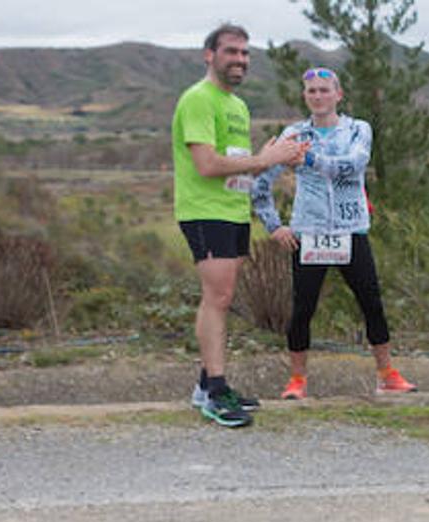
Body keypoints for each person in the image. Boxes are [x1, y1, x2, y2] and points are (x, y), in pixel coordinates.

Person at [250, 67, 414, 401]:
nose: (318, 96)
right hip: (307, 232)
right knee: (302, 308)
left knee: (371, 303)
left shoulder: (358, 129)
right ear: (304, 96)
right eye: (311, 91)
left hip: (351, 229)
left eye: (325, 90)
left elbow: (354, 165)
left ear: (338, 95)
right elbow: (261, 183)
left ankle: (387, 374)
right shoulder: (293, 134)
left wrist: (307, 157)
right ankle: (297, 380)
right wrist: (274, 226)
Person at [173, 23, 307, 428]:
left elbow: (237, 163)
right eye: (231, 51)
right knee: (217, 297)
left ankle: (206, 386)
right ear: (209, 55)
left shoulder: (238, 105)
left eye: (245, 53)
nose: (240, 60)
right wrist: (265, 159)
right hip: (203, 210)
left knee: (223, 297)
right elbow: (208, 164)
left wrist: (277, 159)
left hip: (233, 211)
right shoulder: (198, 99)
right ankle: (215, 392)